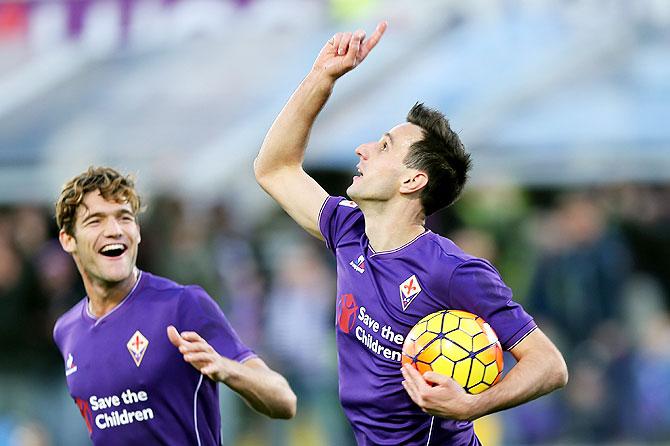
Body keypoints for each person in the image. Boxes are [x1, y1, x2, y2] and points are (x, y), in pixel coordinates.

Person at [254, 22, 568, 445]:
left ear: (412, 181)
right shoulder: (348, 229)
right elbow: (274, 168)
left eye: (384, 147)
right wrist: (322, 78)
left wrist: (472, 405)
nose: (362, 149)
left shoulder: (453, 271)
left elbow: (549, 365)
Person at [52, 166, 296, 445]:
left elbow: (283, 400)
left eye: (124, 218)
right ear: (68, 239)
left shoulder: (182, 305)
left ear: (138, 232)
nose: (114, 230)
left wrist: (226, 368)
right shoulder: (67, 330)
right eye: (96, 221)